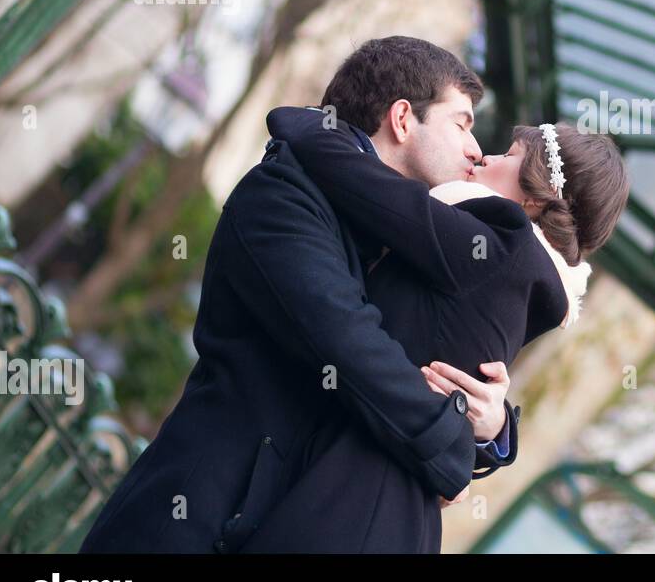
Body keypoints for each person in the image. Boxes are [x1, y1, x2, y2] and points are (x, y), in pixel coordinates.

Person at [80, 38, 522, 553]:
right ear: (403, 119)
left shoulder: (387, 239)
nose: (475, 149)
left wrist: (491, 429)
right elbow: (348, 342)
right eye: (462, 124)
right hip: (188, 522)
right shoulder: (282, 195)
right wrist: (451, 450)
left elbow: (422, 350)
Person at [238, 106, 629, 552]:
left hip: (349, 506)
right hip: (389, 515)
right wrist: (495, 433)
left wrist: (308, 118)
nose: (486, 157)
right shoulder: (520, 278)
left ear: (535, 196)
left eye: (510, 155)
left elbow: (361, 182)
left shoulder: (503, 243)